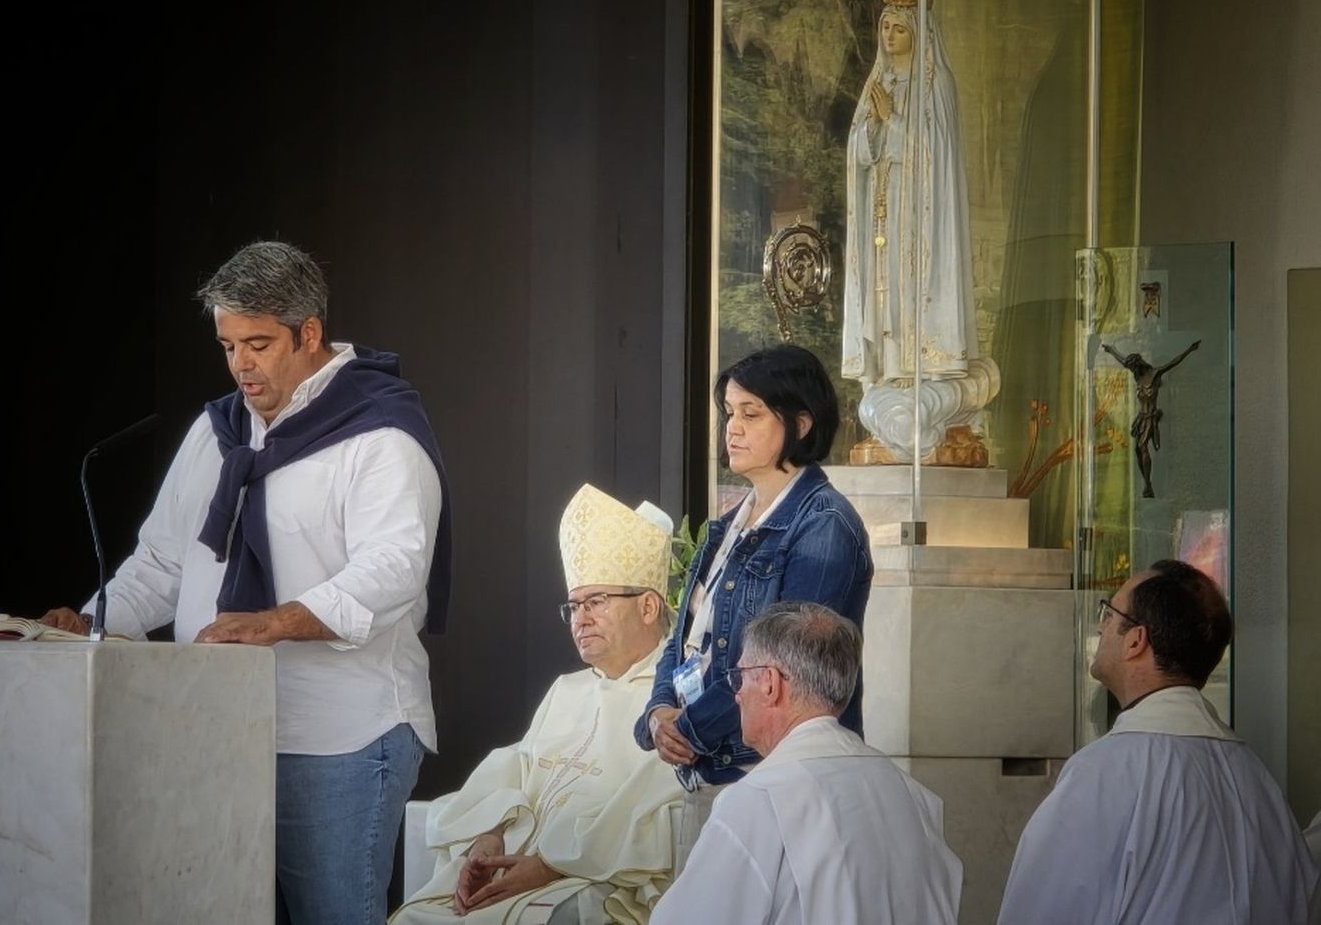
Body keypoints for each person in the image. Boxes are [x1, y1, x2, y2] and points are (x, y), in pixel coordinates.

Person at [39, 240, 453, 925]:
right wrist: (94, 621)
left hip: (338, 739)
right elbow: (165, 561)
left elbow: (396, 569)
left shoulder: (379, 434)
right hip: (214, 732)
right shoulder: (218, 432)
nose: (241, 366)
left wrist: (275, 623)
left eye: (258, 344)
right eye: (228, 346)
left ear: (309, 333)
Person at [393, 484, 684, 925]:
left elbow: (655, 812)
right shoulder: (567, 690)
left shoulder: (673, 702)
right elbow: (519, 768)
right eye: (573, 606)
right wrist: (487, 837)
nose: (581, 619)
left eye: (597, 602)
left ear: (647, 607)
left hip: (588, 879)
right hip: (514, 859)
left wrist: (546, 868)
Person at [633, 343, 872, 871]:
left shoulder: (824, 525)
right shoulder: (727, 523)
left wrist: (688, 729)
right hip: (711, 769)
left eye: (751, 413)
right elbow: (682, 640)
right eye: (728, 414)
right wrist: (657, 714)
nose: (732, 428)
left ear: (801, 423)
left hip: (773, 777)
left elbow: (783, 666)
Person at [998, 560, 1319, 924]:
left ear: (1136, 640)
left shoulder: (1107, 774)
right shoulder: (1256, 779)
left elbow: (1042, 912)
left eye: (1110, 611)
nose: (1101, 625)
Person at [650, 601, 962, 924]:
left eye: (739, 677)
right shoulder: (913, 795)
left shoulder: (758, 801)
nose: (737, 694)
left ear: (770, 683)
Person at [841, 0, 977, 391]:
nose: (890, 36)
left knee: (907, 279)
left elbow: (934, 156)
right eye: (885, 28)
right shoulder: (877, 83)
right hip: (883, 204)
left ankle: (915, 365)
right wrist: (874, 129)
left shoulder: (936, 86)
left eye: (899, 28)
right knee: (883, 283)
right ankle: (887, 367)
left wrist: (892, 122)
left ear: (918, 32)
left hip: (918, 210)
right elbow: (858, 149)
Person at [1101, 340, 1201, 498]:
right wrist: (1110, 351)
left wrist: (1190, 349)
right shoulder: (1138, 378)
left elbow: (1173, 362)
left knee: (1142, 446)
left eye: (1134, 367)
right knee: (1137, 450)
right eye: (1131, 368)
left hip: (1150, 418)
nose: (1132, 370)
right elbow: (1122, 361)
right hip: (1141, 418)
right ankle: (1147, 484)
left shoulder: (1154, 374)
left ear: (1139, 365)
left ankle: (1148, 484)